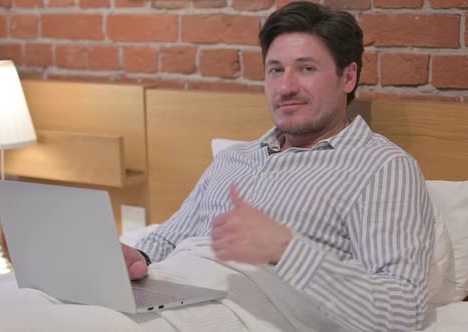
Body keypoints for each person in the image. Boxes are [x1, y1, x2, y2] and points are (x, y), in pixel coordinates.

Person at [121, 2, 434, 331]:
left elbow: (402, 311)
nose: (285, 87)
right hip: (168, 295)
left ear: (348, 77)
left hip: (239, 311)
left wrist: (286, 249)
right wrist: (134, 256)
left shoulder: (381, 168)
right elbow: (168, 239)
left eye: (306, 68)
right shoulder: (234, 158)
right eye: (275, 70)